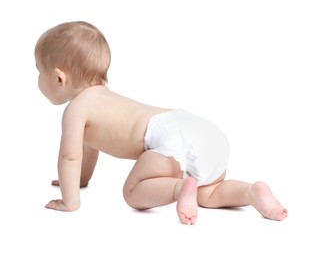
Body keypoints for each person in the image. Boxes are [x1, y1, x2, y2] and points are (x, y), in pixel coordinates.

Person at [34, 21, 288, 224]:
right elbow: (88, 148)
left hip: (170, 140)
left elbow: (70, 157)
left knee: (133, 192)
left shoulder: (77, 109)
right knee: (208, 192)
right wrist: (80, 181)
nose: (37, 77)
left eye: (38, 70)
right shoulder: (104, 96)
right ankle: (251, 192)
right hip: (203, 132)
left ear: (59, 78)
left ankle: (179, 190)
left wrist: (71, 200)